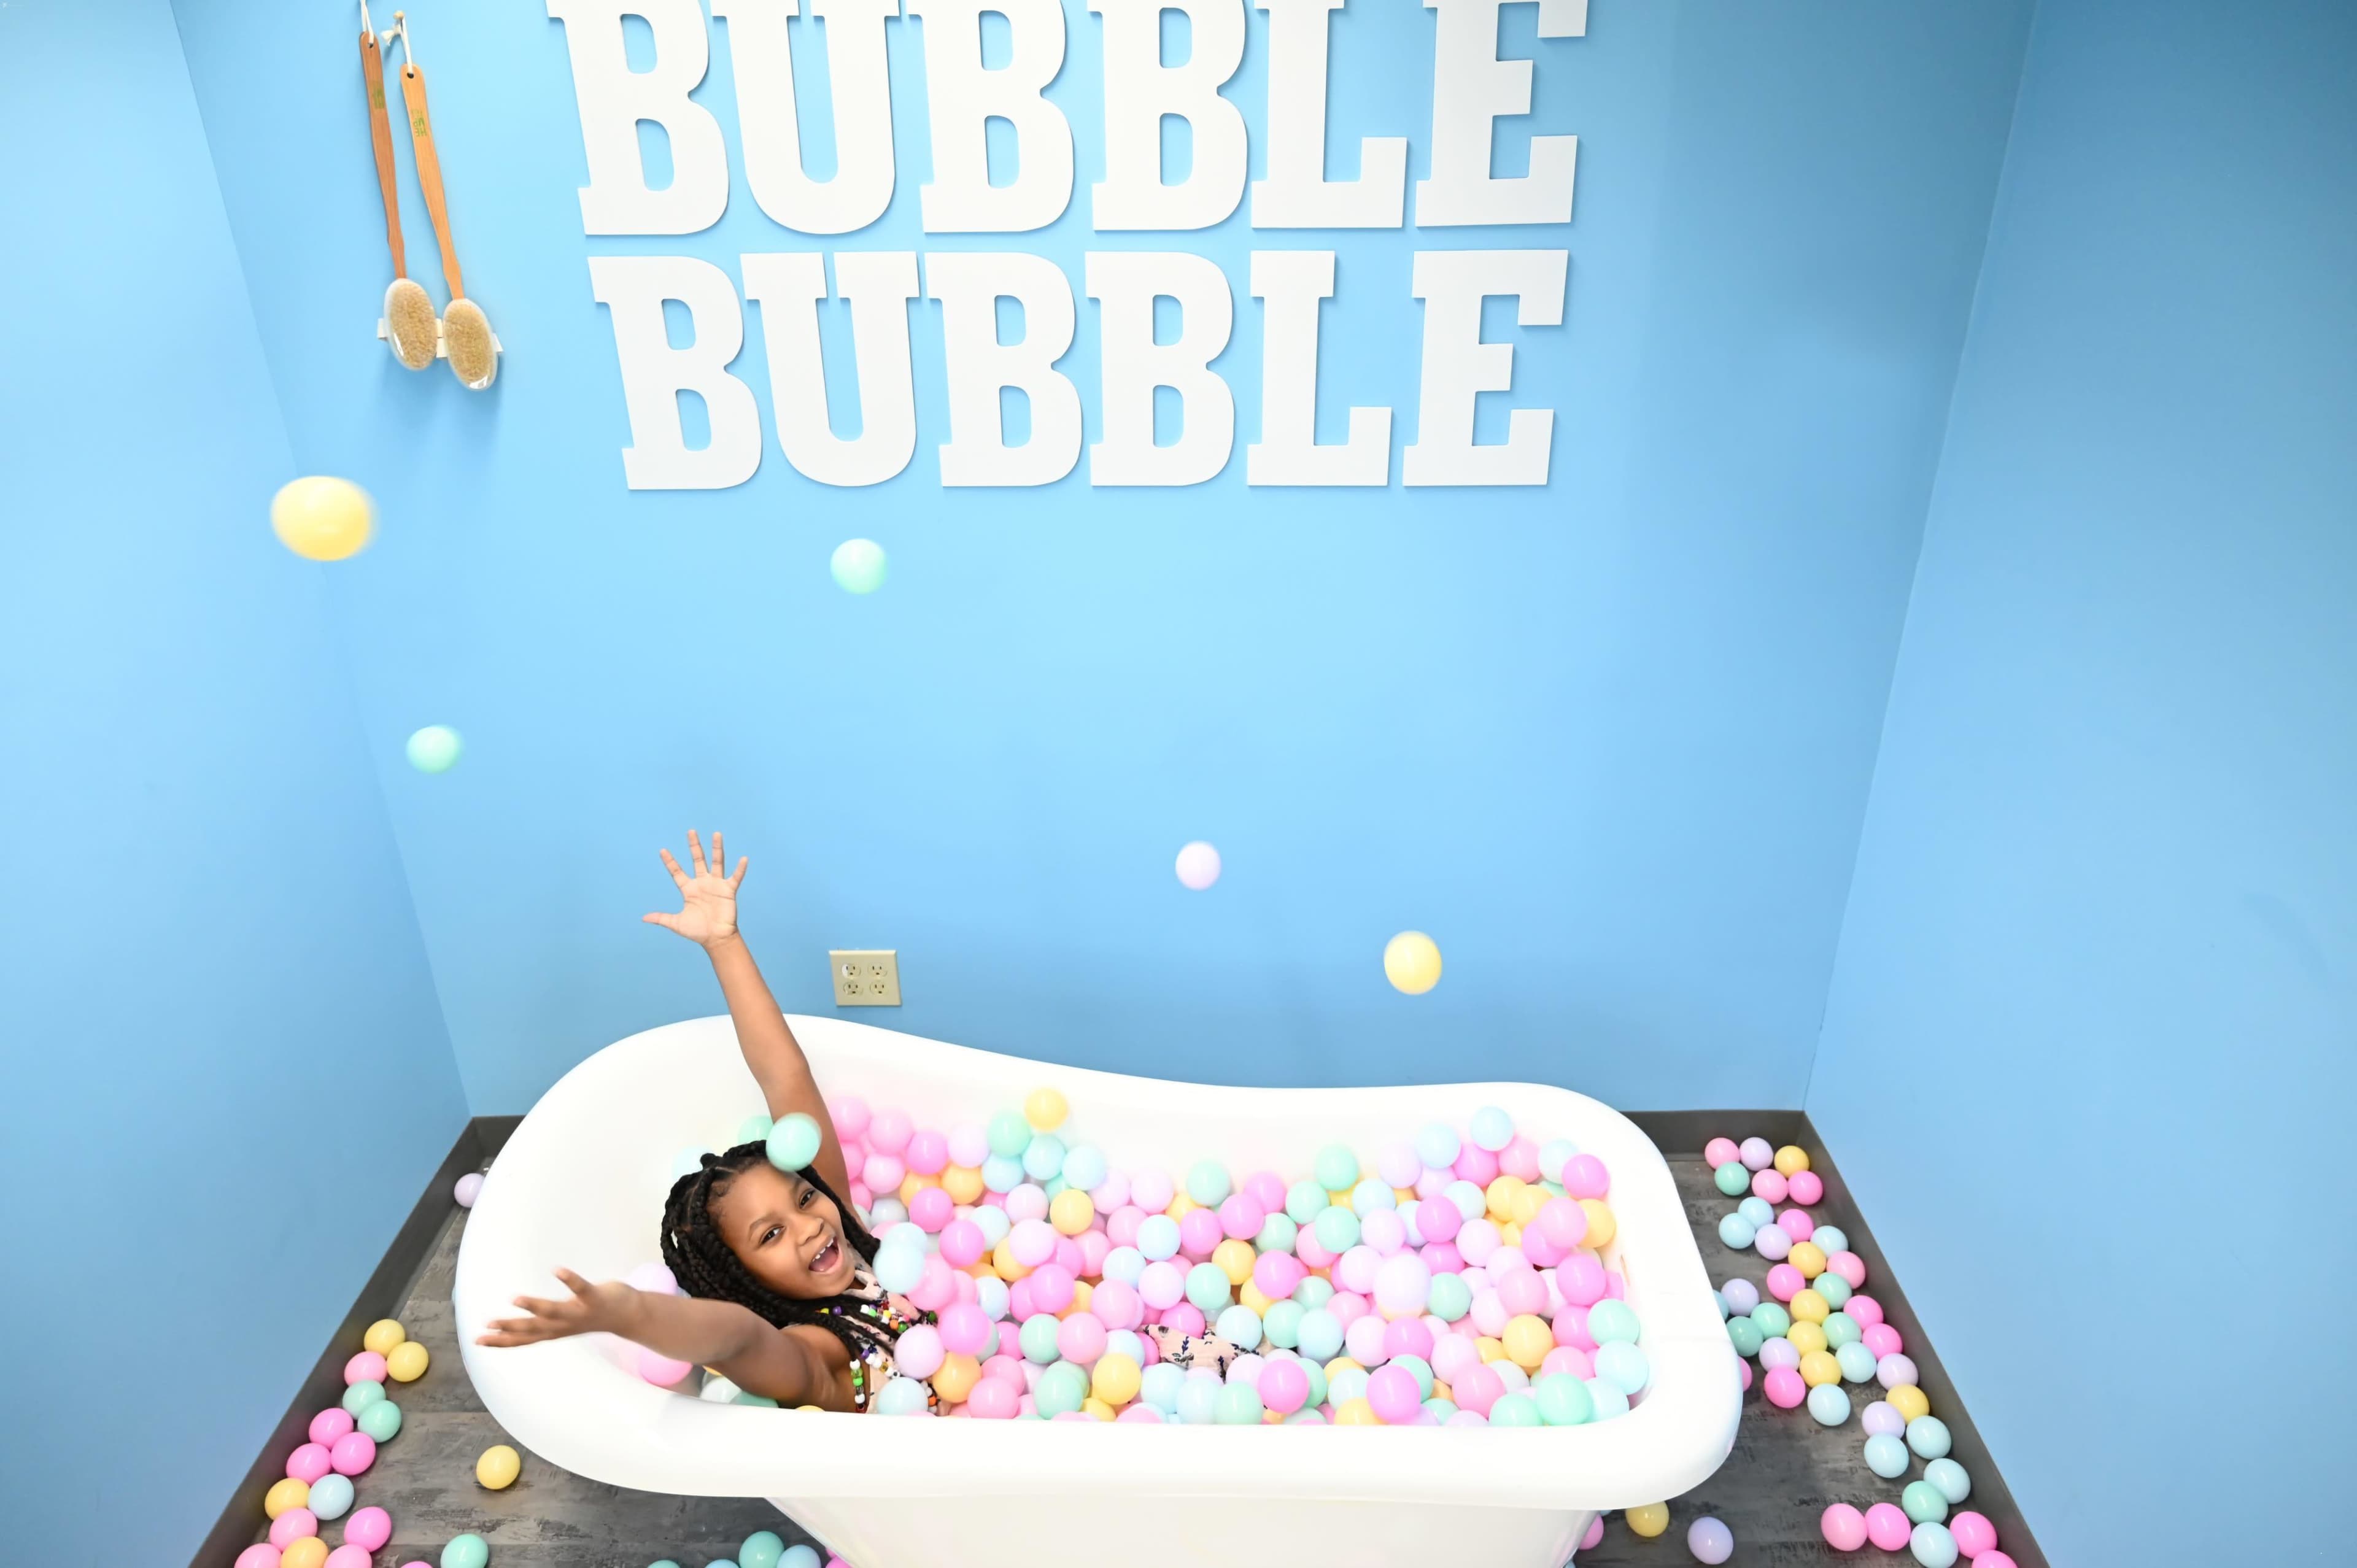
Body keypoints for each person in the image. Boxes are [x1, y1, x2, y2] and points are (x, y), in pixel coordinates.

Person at [476, 830, 933, 1412]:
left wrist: (725, 943)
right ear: (745, 1282)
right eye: (769, 1235)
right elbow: (737, 1339)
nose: (808, 1225)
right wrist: (633, 1313)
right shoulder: (815, 1351)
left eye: (802, 1198)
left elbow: (786, 1076)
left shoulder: (843, 1228)